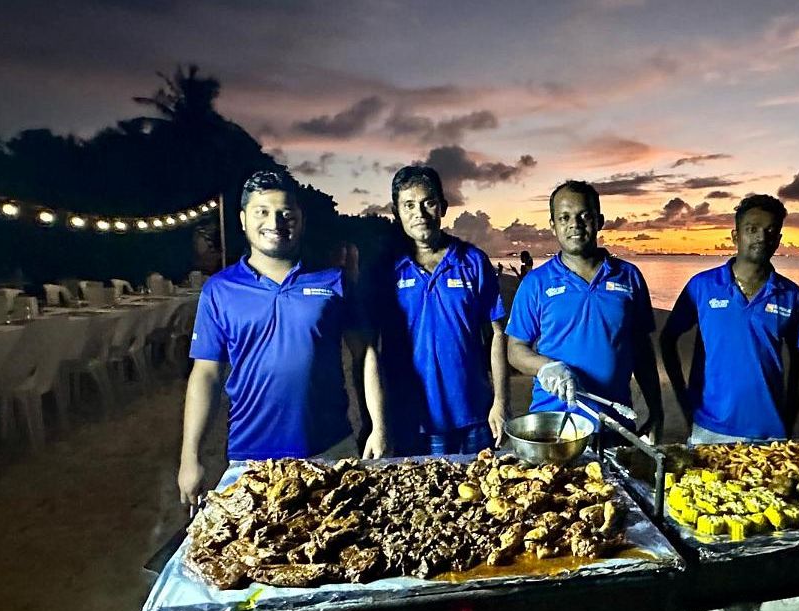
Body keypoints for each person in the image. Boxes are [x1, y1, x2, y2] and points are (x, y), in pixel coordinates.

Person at [177, 170, 386, 503]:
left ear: (300, 220)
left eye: (286, 213)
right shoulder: (219, 290)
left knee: (336, 549)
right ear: (244, 220)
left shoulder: (334, 281)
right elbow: (206, 374)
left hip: (331, 448)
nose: (275, 222)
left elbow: (366, 355)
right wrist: (190, 457)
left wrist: (378, 426)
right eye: (262, 212)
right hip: (251, 457)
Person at [505, 180, 663, 440]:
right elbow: (515, 349)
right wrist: (545, 367)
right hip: (555, 426)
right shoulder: (536, 282)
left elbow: (642, 351)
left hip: (616, 425)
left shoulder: (629, 276)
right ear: (553, 225)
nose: (574, 224)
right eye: (564, 217)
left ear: (599, 221)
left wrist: (656, 411)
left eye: (584, 216)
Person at [659, 194, 799, 444]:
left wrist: (788, 421)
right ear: (735, 236)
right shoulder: (702, 286)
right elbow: (668, 340)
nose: (761, 237)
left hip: (770, 433)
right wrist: (684, 399)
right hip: (709, 428)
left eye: (770, 230)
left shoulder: (791, 295)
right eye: (752, 229)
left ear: (778, 240)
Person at [380, 165, 509, 455]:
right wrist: (378, 423)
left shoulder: (473, 261)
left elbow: (498, 334)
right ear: (396, 210)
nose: (420, 214)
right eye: (409, 205)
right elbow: (369, 350)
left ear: (443, 207)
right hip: (412, 419)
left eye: (429, 203)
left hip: (474, 414)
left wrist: (500, 403)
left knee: (477, 496)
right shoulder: (385, 268)